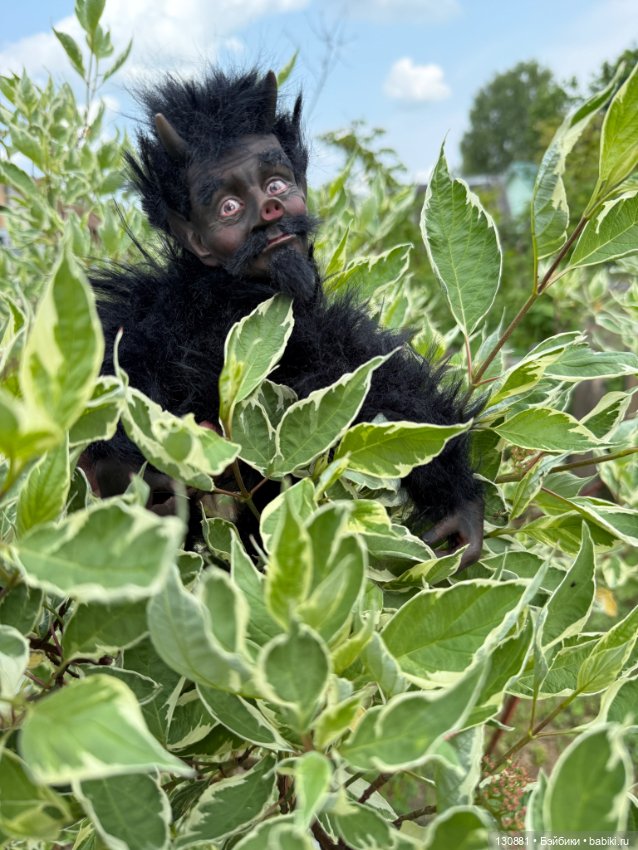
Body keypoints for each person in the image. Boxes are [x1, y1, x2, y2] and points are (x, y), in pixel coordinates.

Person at [85, 68, 484, 567]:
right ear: (194, 237)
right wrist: (134, 471)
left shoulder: (310, 330)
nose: (268, 206)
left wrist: (455, 491)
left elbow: (378, 380)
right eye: (229, 205)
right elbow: (103, 401)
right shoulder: (147, 330)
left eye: (277, 181)